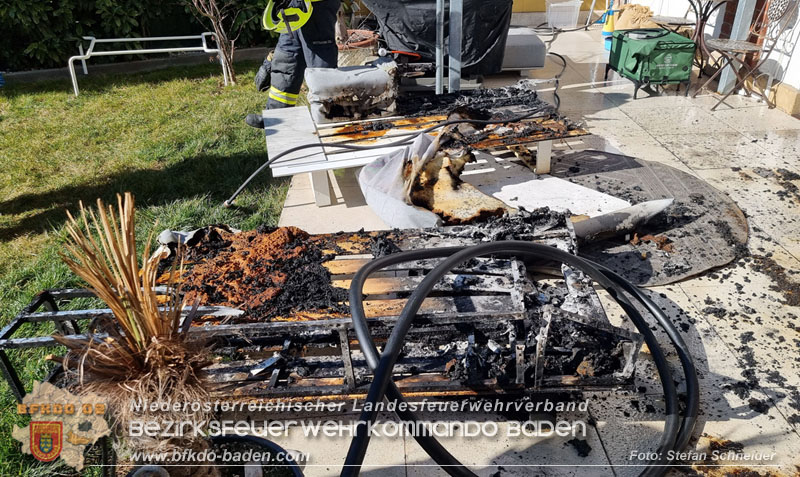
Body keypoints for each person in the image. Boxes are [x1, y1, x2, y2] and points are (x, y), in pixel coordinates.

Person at [245, 0, 341, 128]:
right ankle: (276, 117)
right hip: (291, 6)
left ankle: (328, 120)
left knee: (321, 68)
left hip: (318, 7)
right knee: (287, 58)